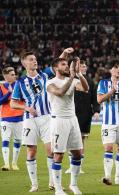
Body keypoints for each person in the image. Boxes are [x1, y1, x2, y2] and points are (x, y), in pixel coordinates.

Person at [10, 51, 56, 192]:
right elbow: (13, 103)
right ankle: (34, 184)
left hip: (47, 117)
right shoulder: (20, 82)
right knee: (31, 151)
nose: (35, 61)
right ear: (25, 63)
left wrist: (65, 53)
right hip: (30, 120)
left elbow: (58, 64)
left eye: (35, 59)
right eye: (31, 59)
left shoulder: (45, 75)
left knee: (51, 150)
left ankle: (52, 181)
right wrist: (26, 108)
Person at [46, 57, 88, 195]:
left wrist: (79, 74)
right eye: (63, 64)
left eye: (67, 65)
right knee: (58, 155)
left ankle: (73, 184)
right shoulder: (50, 83)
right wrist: (71, 77)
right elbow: (60, 92)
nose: (66, 67)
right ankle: (58, 188)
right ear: (55, 68)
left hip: (72, 120)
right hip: (58, 121)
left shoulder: (74, 80)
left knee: (77, 154)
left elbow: (85, 88)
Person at [97, 59, 119, 185]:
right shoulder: (103, 83)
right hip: (108, 121)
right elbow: (99, 100)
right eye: (116, 67)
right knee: (108, 147)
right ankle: (107, 176)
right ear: (111, 70)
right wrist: (111, 91)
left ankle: (118, 176)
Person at [65, 60, 100, 174]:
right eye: (81, 66)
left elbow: (94, 97)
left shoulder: (90, 81)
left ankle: (79, 166)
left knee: (81, 139)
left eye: (85, 66)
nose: (83, 68)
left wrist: (96, 111)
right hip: (71, 113)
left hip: (85, 113)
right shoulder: (70, 80)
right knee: (70, 139)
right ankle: (71, 166)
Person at [0, 66, 24, 171]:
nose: (15, 76)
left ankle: (14, 163)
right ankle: (6, 164)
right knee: (5, 140)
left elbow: (24, 98)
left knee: (18, 140)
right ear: (6, 76)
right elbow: (0, 101)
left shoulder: (19, 85)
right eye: (12, 74)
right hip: (6, 118)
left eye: (15, 74)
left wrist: (14, 93)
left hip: (19, 117)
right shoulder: (1, 87)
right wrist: (9, 93)